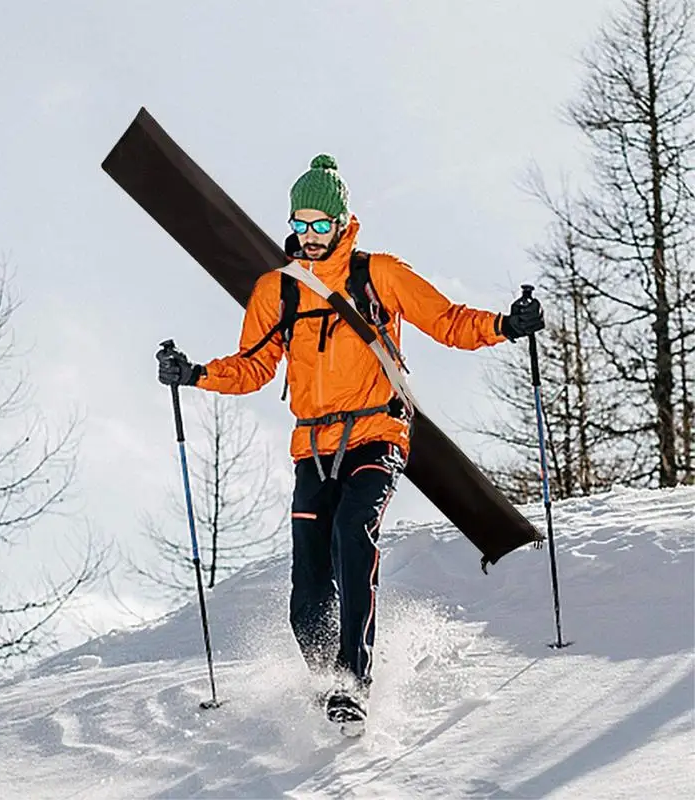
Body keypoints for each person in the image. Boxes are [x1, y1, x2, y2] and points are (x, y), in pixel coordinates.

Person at [156, 154, 544, 726]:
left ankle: (353, 679)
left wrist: (506, 326)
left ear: (341, 221)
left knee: (351, 531)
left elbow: (448, 320)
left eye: (320, 224)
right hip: (312, 448)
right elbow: (253, 366)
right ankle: (326, 679)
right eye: (300, 223)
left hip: (378, 433)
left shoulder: (377, 274)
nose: (309, 236)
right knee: (309, 578)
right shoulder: (278, 292)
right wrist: (194, 373)